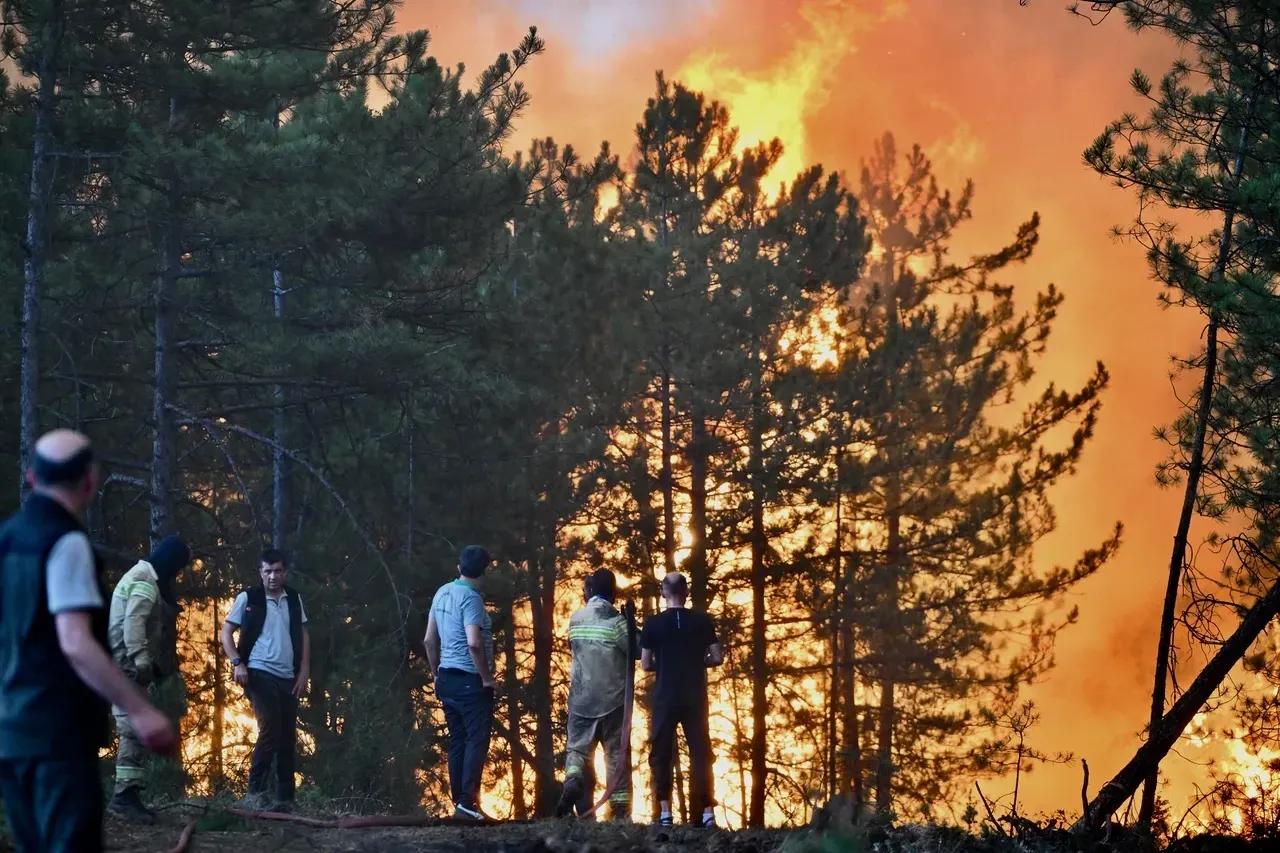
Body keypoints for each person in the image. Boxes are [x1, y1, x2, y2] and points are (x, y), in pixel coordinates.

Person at [0, 430, 176, 852]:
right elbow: (75, 644)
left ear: (31, 477)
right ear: (90, 481)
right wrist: (139, 709)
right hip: (58, 735)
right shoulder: (67, 543)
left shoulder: (7, 539)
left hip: (11, 735)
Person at [107, 534, 190, 821]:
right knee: (131, 728)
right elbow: (133, 622)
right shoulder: (144, 580)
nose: (178, 575)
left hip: (123, 661)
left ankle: (128, 794)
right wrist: (142, 662)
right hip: (127, 664)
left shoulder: (144, 575)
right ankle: (124, 798)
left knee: (134, 727)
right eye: (179, 568)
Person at [221, 548, 310, 812]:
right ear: (260, 573)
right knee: (270, 729)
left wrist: (304, 670)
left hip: (288, 676)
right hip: (258, 672)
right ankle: (254, 794)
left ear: (285, 572)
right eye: (268, 571)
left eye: (278, 571)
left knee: (287, 736)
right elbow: (227, 633)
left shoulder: (293, 598)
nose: (273, 576)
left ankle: (285, 799)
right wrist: (237, 662)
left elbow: (304, 634)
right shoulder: (249, 597)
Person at [641, 572, 723, 828]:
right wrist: (702, 661)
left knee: (661, 754)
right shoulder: (701, 621)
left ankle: (665, 812)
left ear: (663, 593)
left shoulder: (652, 624)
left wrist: (663, 664)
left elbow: (645, 664)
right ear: (686, 592)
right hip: (694, 697)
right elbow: (717, 657)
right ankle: (707, 812)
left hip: (665, 696)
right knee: (701, 753)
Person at [557, 568, 637, 821]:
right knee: (615, 754)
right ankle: (620, 809)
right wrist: (631, 623)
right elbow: (635, 651)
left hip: (581, 699)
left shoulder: (576, 620)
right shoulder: (617, 624)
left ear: (589, 591)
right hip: (613, 701)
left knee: (577, 750)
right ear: (613, 594)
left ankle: (572, 777)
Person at [424, 545, 495, 821]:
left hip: (447, 679)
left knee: (457, 740)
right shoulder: (472, 599)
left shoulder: (442, 592)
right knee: (476, 739)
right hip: (470, 680)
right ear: (484, 572)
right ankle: (467, 802)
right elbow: (474, 643)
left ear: (459, 567)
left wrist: (436, 673)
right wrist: (487, 679)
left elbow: (430, 640)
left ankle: (461, 804)